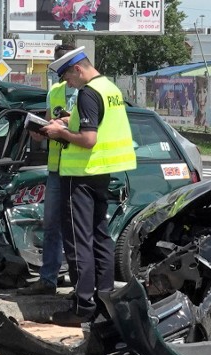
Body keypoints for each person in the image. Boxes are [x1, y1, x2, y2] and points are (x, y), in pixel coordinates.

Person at [39, 47, 137, 326]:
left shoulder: (88, 92)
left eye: (68, 77)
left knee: (78, 242)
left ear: (78, 70)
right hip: (100, 174)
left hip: (80, 175)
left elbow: (89, 139)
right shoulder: (110, 88)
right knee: (100, 237)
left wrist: (60, 132)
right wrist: (70, 120)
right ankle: (104, 301)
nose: (67, 83)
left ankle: (83, 306)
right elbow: (100, 125)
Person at [17, 44, 77, 296]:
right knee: (51, 226)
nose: (59, 73)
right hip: (56, 170)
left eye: (62, 67)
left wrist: (66, 122)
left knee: (77, 229)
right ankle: (48, 279)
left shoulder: (91, 91)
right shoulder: (55, 92)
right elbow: (47, 124)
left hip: (82, 171)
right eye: (56, 67)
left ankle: (81, 284)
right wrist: (37, 131)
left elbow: (91, 127)